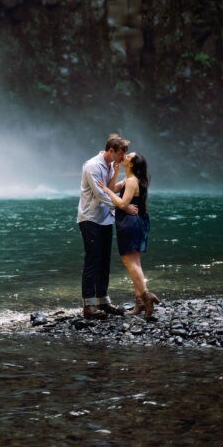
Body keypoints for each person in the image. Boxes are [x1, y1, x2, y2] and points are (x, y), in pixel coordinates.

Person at [77, 134, 138, 320]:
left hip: (105, 218)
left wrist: (119, 178)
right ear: (111, 150)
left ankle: (103, 301)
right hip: (90, 218)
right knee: (93, 260)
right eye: (120, 154)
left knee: (105, 261)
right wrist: (123, 206)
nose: (122, 157)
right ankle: (89, 306)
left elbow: (110, 189)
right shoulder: (92, 166)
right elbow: (101, 195)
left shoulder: (112, 164)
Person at [98, 151, 159, 317]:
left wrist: (106, 191)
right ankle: (139, 301)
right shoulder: (129, 179)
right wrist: (115, 175)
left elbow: (122, 202)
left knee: (129, 261)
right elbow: (113, 188)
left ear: (131, 164)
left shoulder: (132, 181)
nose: (124, 156)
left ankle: (147, 296)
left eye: (128, 156)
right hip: (135, 221)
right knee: (135, 263)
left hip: (130, 223)